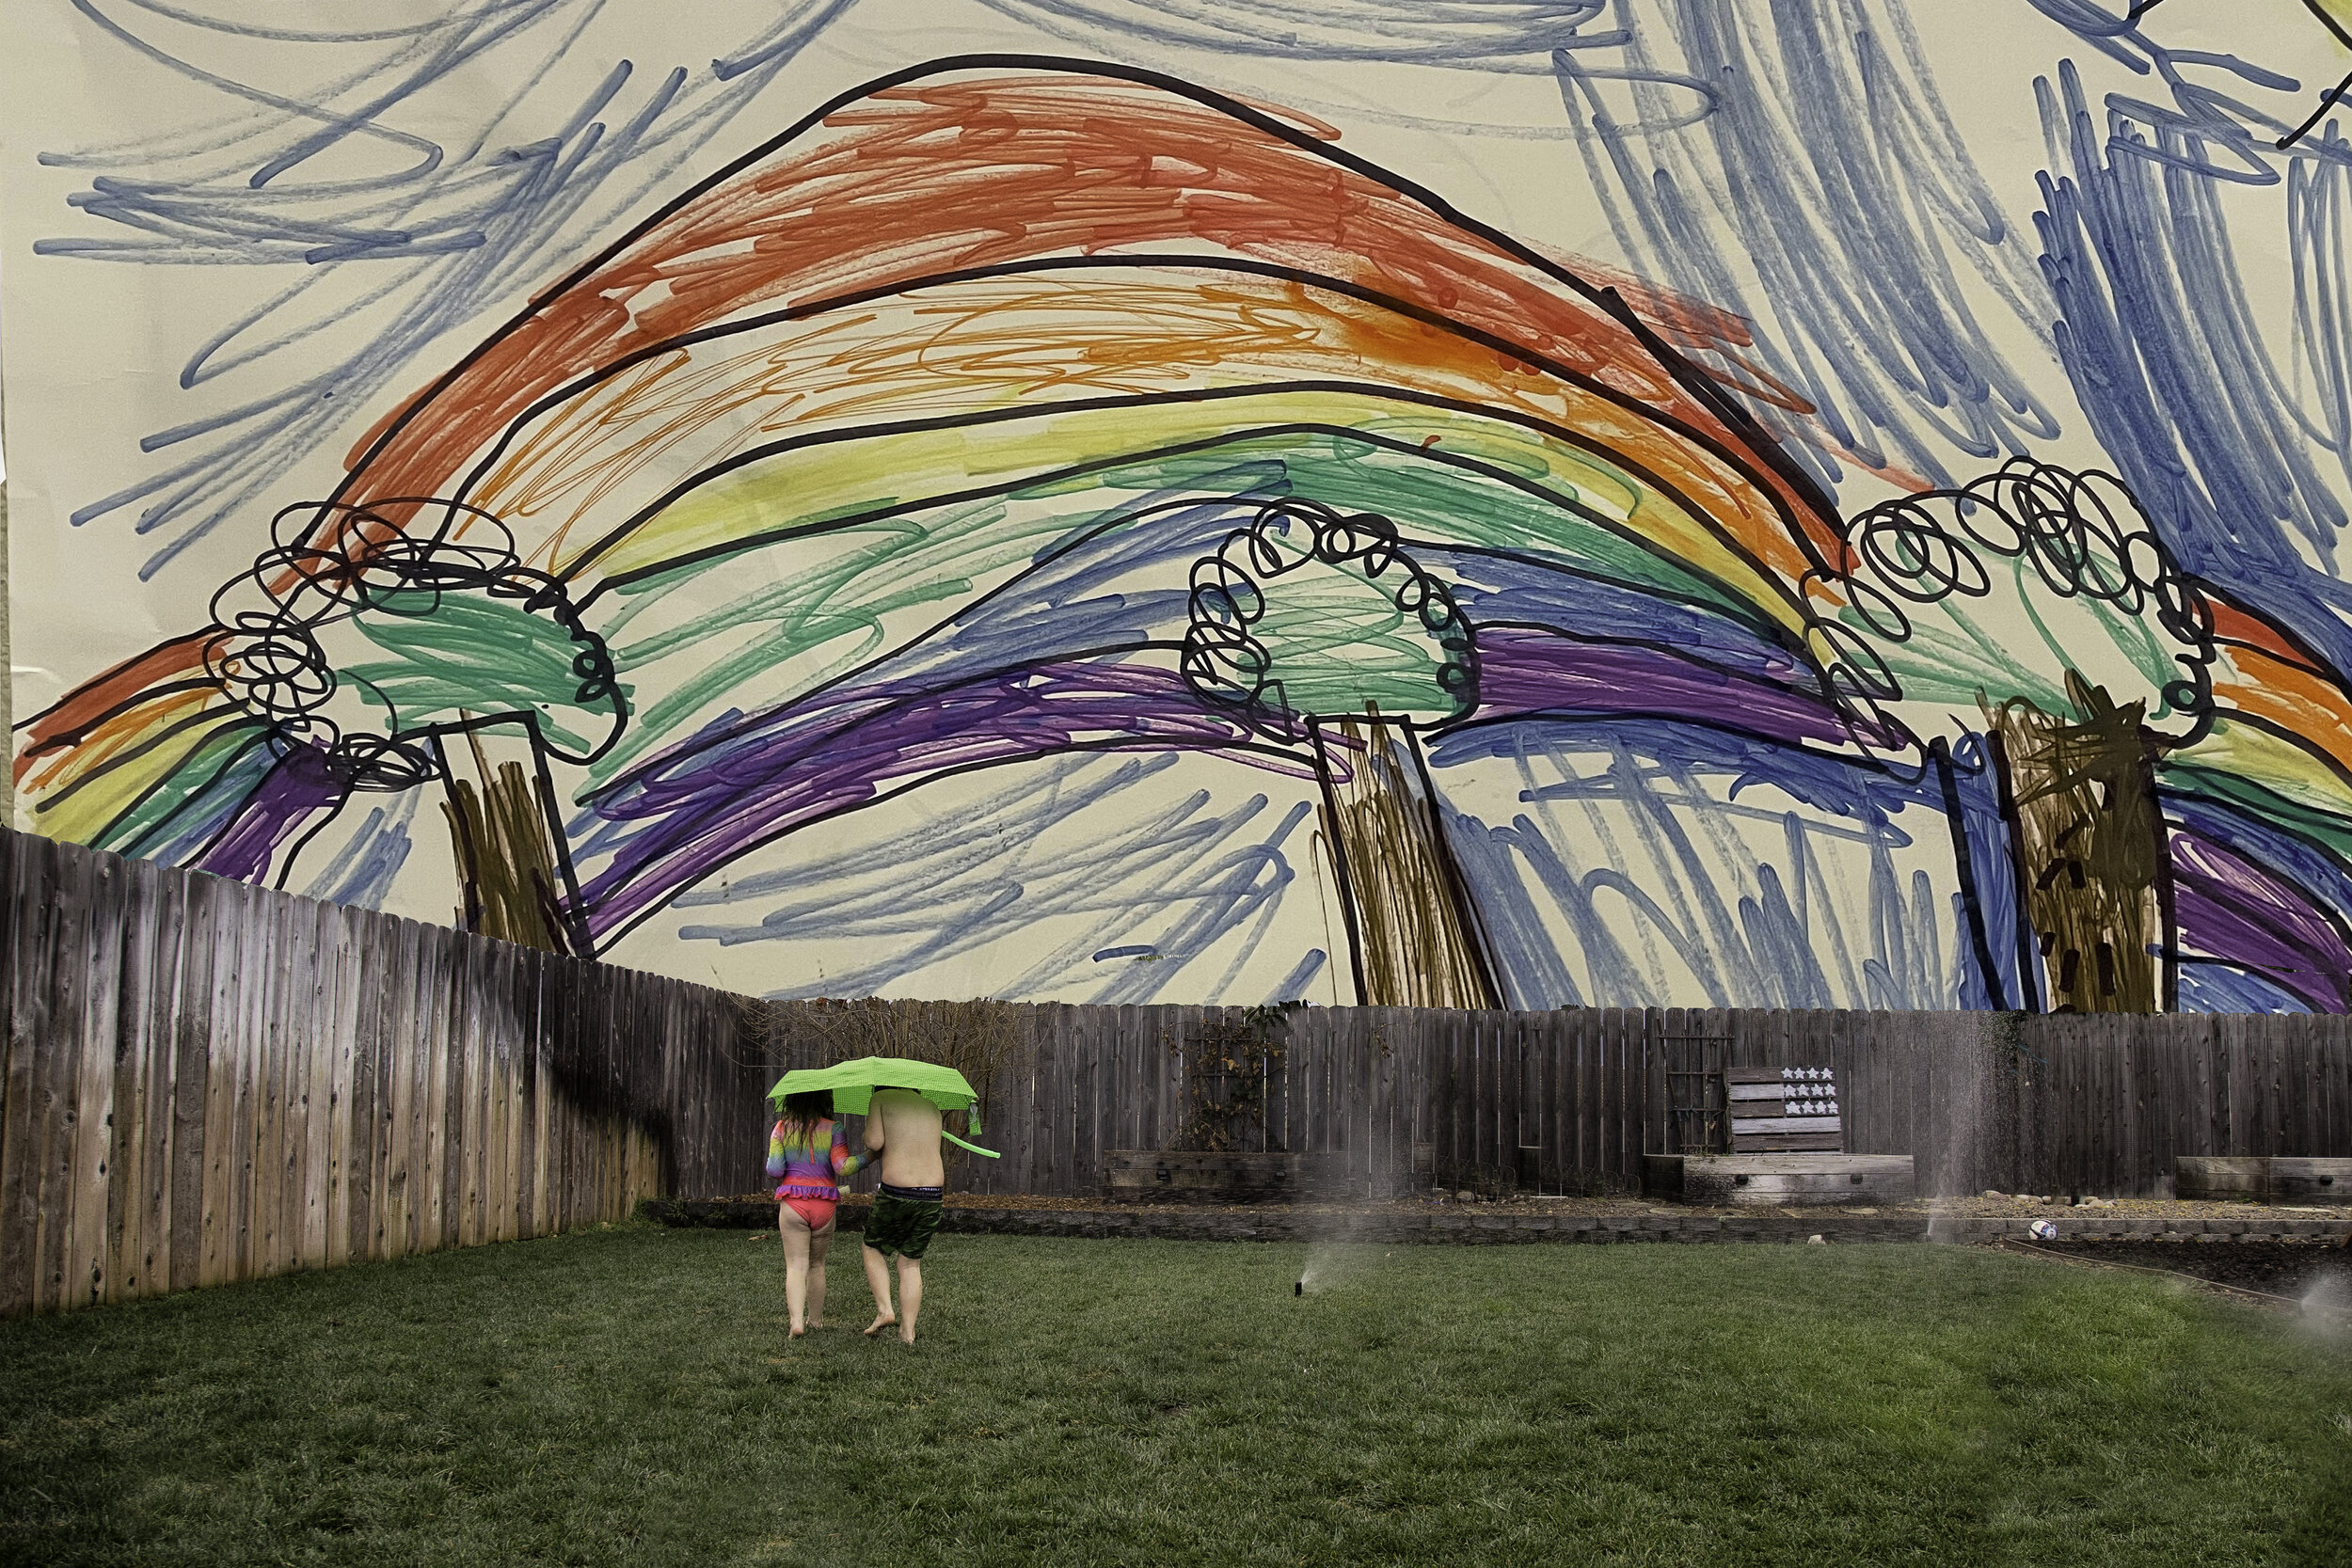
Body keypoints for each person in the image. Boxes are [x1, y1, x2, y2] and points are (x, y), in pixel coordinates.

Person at [765, 1089, 869, 1338]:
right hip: (824, 1205)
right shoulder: (834, 1129)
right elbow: (842, 1167)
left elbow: (775, 1169)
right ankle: (816, 1321)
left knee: (795, 1266)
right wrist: (871, 1155)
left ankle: (796, 1323)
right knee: (817, 1264)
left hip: (793, 1204)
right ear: (825, 1101)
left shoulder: (781, 1128)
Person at [858, 1085, 949, 1344]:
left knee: (872, 1247)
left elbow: (874, 1142)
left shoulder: (881, 1098)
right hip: (933, 1194)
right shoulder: (931, 1106)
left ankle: (885, 1310)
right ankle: (908, 1331)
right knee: (910, 1262)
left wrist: (869, 1130)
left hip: (898, 1191)